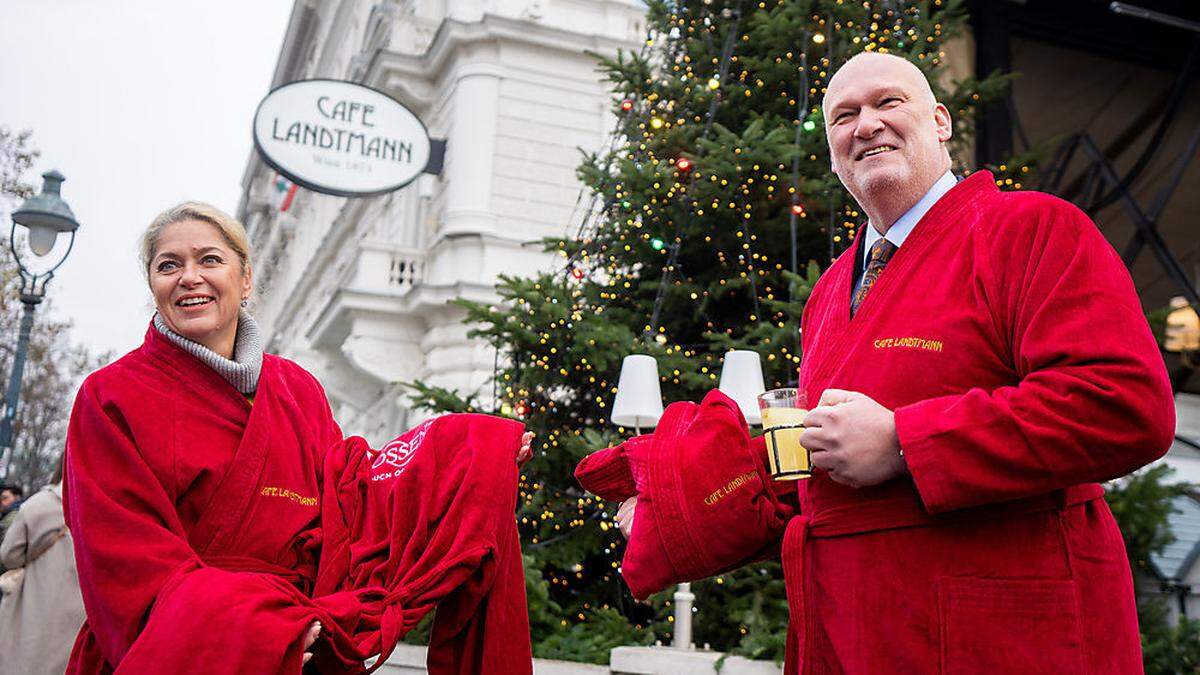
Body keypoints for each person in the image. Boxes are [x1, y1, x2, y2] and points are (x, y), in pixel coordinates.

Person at [609, 52, 1175, 672]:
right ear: (832, 152)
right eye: (843, 116)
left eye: (888, 103)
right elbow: (822, 476)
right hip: (852, 632)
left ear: (940, 122)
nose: (866, 124)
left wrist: (906, 442)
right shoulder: (828, 292)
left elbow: (1124, 404)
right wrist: (675, 504)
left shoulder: (1033, 229)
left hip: (1000, 638)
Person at [63, 202, 535, 673]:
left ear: (245, 278)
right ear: (154, 286)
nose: (189, 277)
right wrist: (256, 626)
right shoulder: (109, 396)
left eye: (209, 259)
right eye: (169, 265)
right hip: (188, 646)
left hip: (302, 646)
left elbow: (352, 497)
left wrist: (473, 449)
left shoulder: (298, 388)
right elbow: (124, 558)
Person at [0, 459, 85, 675]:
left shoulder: (37, 505)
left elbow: (9, 556)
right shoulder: (100, 509)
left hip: (33, 605)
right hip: (78, 617)